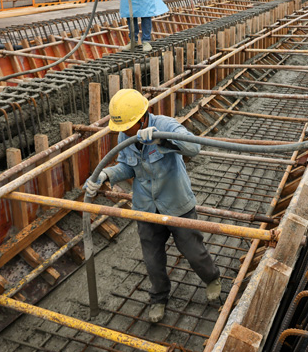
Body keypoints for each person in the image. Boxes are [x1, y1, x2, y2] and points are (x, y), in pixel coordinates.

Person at [92, 89, 222, 323]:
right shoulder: (125, 135)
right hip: (146, 208)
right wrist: (106, 175)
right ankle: (159, 298)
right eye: (121, 128)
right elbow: (127, 167)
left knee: (193, 250)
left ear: (143, 118)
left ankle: (212, 278)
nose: (123, 132)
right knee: (152, 260)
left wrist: (162, 138)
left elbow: (194, 148)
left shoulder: (166, 125)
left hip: (176, 202)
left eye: (128, 127)